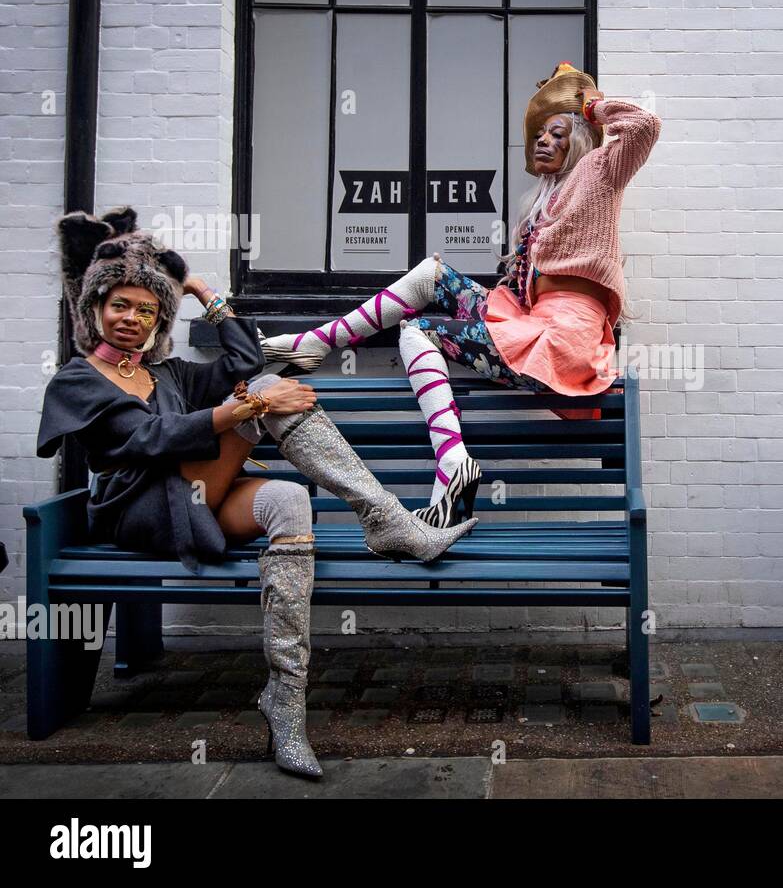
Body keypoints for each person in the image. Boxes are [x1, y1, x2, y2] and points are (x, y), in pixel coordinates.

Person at [37, 208, 477, 779]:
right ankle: (387, 517)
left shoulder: (168, 374)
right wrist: (251, 407)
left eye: (146, 310)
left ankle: (285, 705)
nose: (131, 318)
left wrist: (199, 289)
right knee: (266, 391)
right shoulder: (77, 378)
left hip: (197, 500)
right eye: (119, 305)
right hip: (141, 512)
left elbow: (245, 360)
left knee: (288, 499)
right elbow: (147, 438)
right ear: (95, 310)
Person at [261, 62, 662, 525]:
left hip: (562, 340)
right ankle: (316, 344)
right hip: (532, 325)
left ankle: (453, 465)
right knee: (433, 274)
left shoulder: (600, 173)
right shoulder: (540, 204)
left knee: (417, 333)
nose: (543, 140)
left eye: (557, 132)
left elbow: (644, 125)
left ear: (582, 138)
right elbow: (513, 296)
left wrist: (586, 103)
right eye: (539, 134)